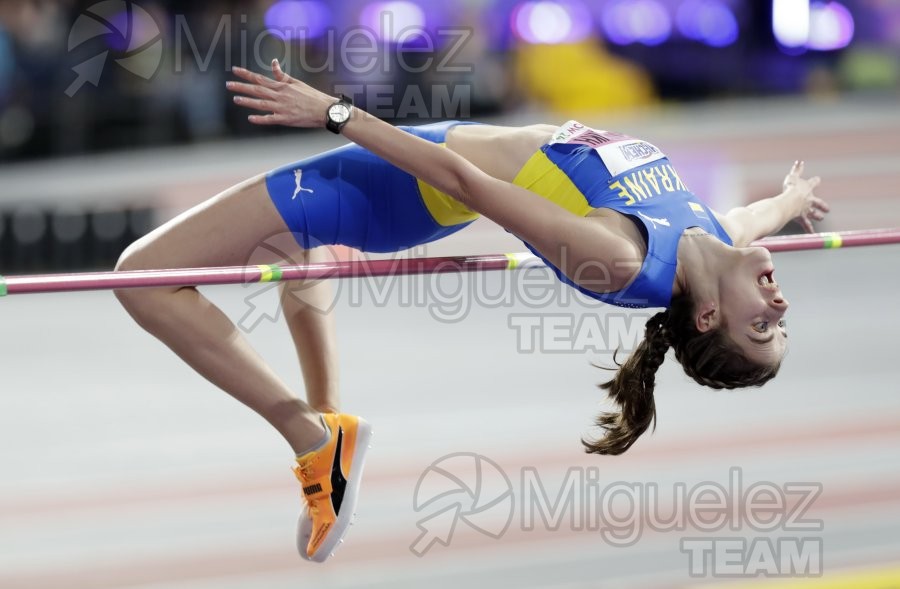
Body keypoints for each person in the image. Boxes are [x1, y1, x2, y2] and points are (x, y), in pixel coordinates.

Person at [113, 60, 829, 562]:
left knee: (142, 277)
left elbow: (463, 178)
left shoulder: (620, 258)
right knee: (289, 246)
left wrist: (332, 113)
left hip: (397, 181)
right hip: (426, 164)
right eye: (781, 319)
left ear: (707, 318)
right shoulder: (712, 243)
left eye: (763, 326)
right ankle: (329, 428)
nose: (779, 301)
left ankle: (304, 434)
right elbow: (748, 218)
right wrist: (790, 201)